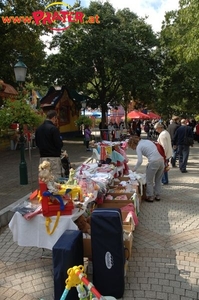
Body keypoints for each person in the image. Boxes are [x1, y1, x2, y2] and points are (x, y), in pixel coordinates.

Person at [128, 135, 164, 202]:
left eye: (132, 147)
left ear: (132, 144)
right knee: (158, 180)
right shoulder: (147, 141)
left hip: (153, 162)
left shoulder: (139, 147)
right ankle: (158, 195)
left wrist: (134, 169)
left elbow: (140, 161)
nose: (133, 149)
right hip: (161, 161)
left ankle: (150, 196)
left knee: (149, 180)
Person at [35, 110, 63, 180]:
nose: (56, 121)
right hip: (54, 157)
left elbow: (37, 143)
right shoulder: (53, 129)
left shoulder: (39, 129)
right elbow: (58, 143)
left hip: (43, 158)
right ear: (53, 117)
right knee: (55, 178)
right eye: (56, 119)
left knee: (44, 178)